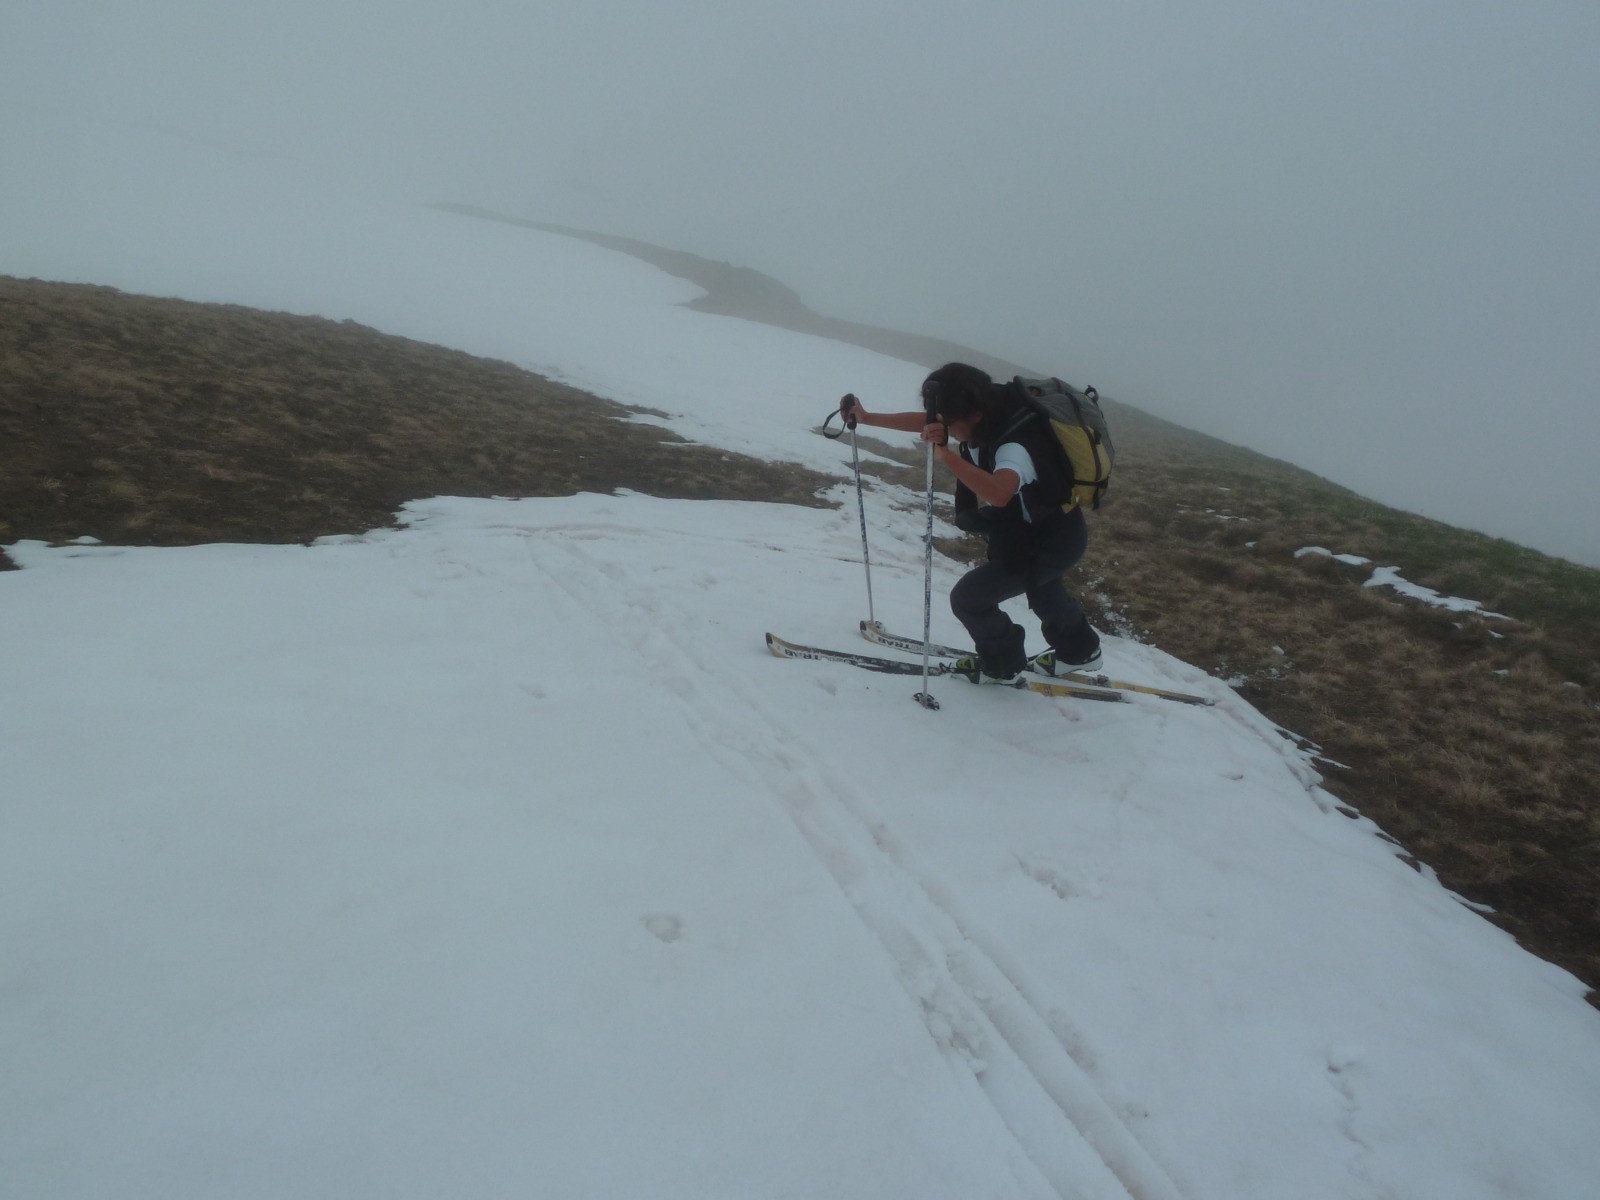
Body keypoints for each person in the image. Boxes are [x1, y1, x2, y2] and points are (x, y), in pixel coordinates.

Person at [840, 362, 1103, 680]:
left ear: (973, 415)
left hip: (1051, 541)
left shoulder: (1015, 445)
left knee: (969, 599)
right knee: (1045, 592)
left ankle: (1003, 665)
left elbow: (1000, 492)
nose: (943, 428)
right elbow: (934, 423)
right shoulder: (986, 407)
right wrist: (868, 418)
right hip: (1037, 531)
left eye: (949, 423)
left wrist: (946, 456)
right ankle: (1080, 653)